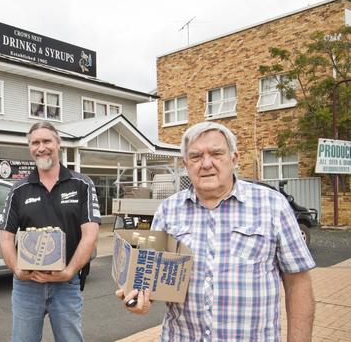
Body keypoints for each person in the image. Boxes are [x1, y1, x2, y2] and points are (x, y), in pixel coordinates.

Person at [116, 122, 315, 341]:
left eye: (216, 153)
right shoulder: (168, 210)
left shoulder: (272, 205)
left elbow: (298, 283)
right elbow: (152, 279)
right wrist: (141, 300)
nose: (206, 163)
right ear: (185, 164)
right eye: (196, 156)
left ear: (234, 158)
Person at [0, 122, 101, 342]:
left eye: (47, 141)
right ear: (29, 147)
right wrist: (17, 269)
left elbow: (90, 235)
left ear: (58, 144)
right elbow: (6, 237)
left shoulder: (81, 184)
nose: (41, 147)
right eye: (35, 142)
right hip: (27, 285)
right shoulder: (18, 190)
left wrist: (70, 271)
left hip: (66, 283)